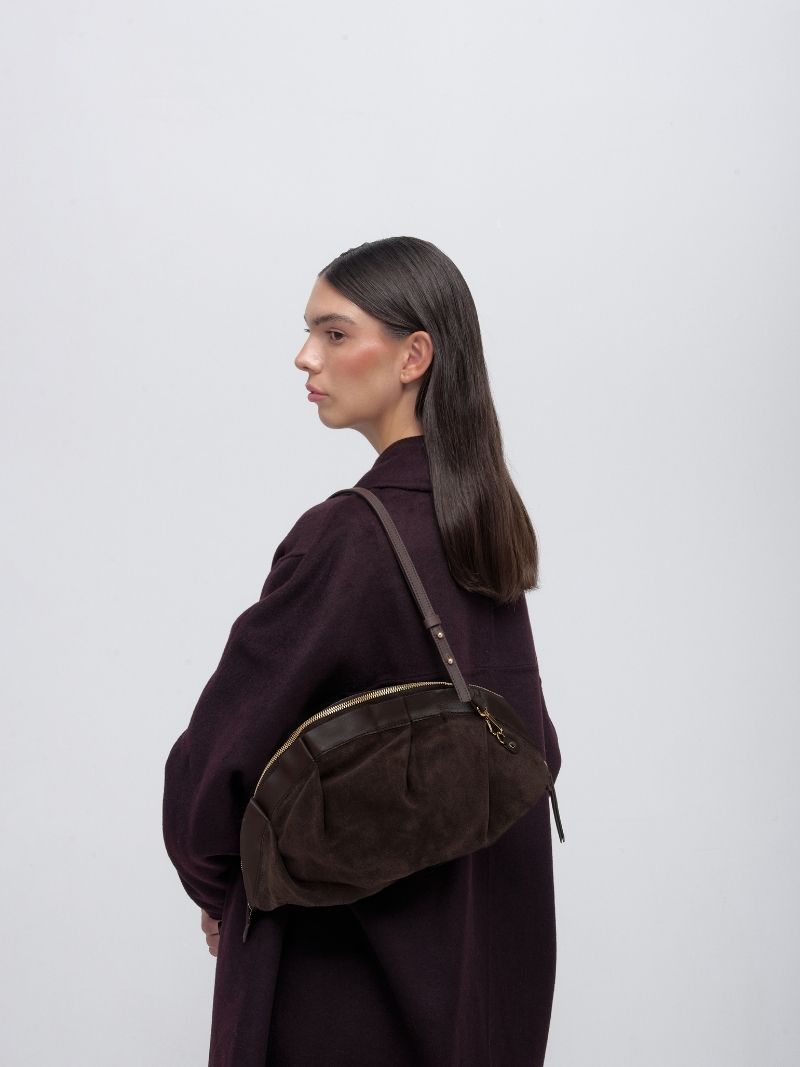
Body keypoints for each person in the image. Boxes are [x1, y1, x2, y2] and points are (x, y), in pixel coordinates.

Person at [162, 236, 563, 1067]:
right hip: (482, 990)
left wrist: (223, 884)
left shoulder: (348, 538)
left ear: (414, 356)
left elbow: (214, 769)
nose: (305, 356)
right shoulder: (484, 528)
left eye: (335, 332)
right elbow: (528, 751)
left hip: (340, 993)